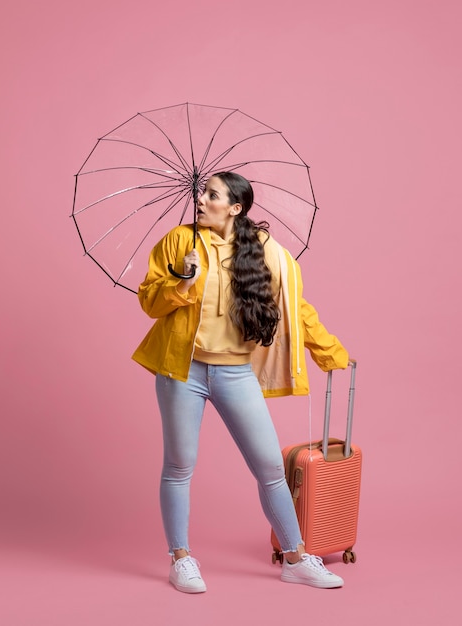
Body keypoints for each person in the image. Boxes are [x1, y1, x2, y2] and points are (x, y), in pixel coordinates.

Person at [132, 171, 350, 593]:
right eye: (201, 193)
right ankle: (181, 559)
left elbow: (293, 305)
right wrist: (182, 279)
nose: (200, 199)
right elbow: (149, 301)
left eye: (211, 195)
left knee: (270, 467)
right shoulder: (180, 241)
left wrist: (328, 351)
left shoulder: (263, 249)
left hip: (235, 372)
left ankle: (296, 557)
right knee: (179, 467)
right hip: (183, 369)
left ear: (235, 207)